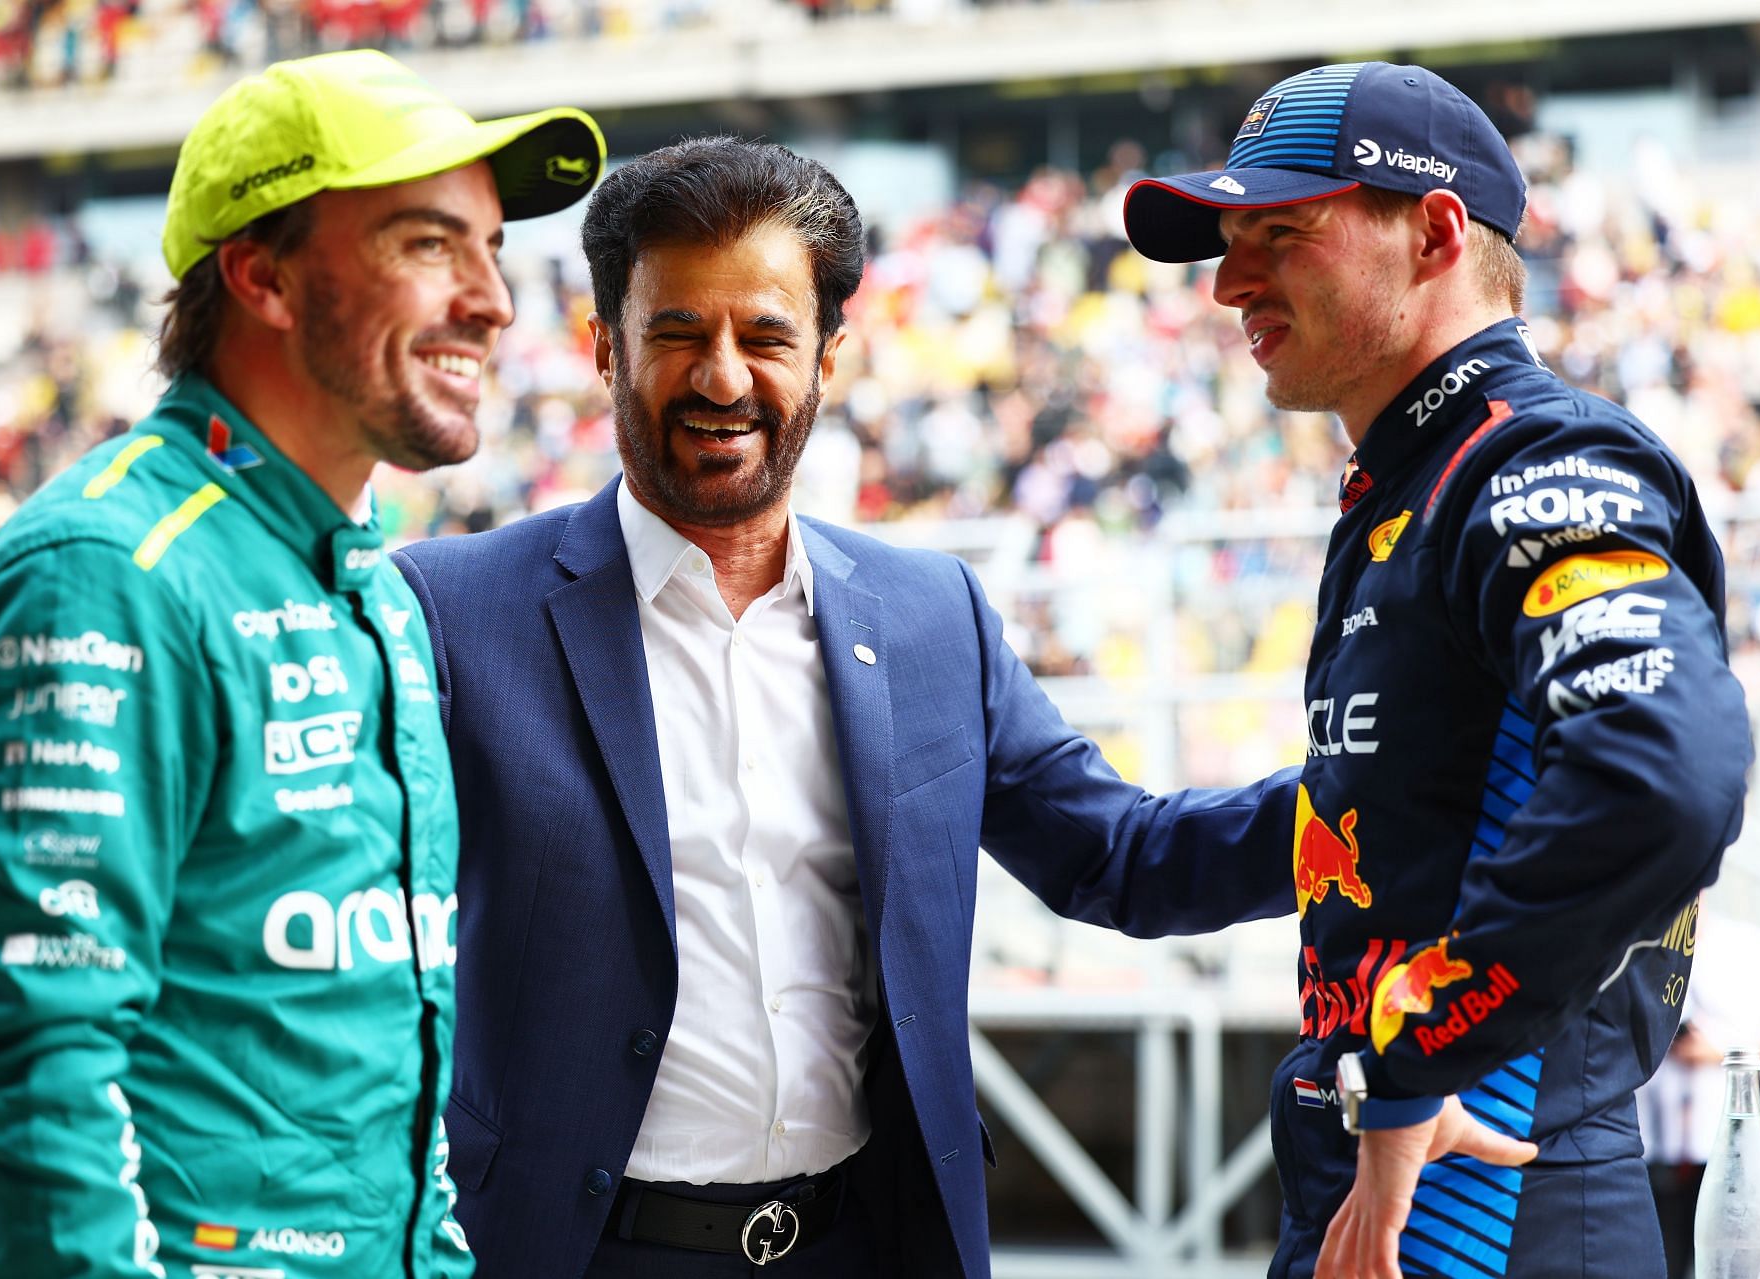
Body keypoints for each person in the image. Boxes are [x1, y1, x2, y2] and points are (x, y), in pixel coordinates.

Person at [391, 136, 1302, 1278]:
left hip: (864, 1246)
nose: (723, 378)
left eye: (767, 336)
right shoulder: (454, 613)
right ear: (604, 352)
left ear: (828, 357)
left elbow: (1115, 856)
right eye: (677, 332)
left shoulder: (932, 618)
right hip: (573, 1253)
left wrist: (1369, 803)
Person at [0, 49, 603, 1278]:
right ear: (263, 276)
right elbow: (37, 1078)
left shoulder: (368, 586)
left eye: (491, 250)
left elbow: (386, 1066)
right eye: (431, 244)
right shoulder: (104, 569)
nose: (494, 301)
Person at [1122, 61, 1752, 1279]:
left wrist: (1417, 1063)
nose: (1226, 285)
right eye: (1226, 243)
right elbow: (1354, 824)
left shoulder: (1527, 463)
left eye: (1279, 235)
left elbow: (1664, 777)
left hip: (1483, 1204)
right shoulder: (1421, 480)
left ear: (1437, 233)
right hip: (1391, 1181)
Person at [1637, 903, 1760, 1278]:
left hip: (1727, 1154)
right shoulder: (1634, 940)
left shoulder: (1744, 945)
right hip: (1647, 1152)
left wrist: (1725, 1054)